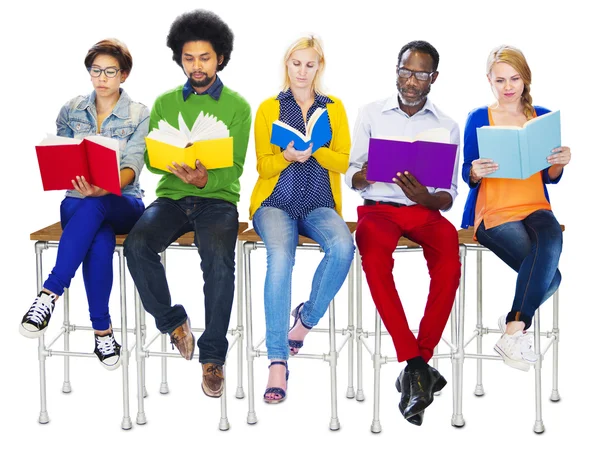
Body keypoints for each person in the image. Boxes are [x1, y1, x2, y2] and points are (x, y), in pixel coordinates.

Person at [123, 10, 251, 398]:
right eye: (189, 58)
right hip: (172, 197)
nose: (197, 66)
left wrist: (206, 178)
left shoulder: (238, 106)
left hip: (217, 201)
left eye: (205, 58)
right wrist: (173, 165)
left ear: (221, 59)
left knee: (217, 261)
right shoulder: (163, 103)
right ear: (180, 59)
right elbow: (152, 157)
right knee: (137, 245)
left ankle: (212, 357)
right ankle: (174, 322)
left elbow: (236, 167)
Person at [346, 40, 460, 425]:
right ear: (396, 70)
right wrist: (368, 174)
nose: (411, 81)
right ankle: (417, 365)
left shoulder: (446, 125)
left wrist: (427, 198)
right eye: (405, 71)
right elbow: (352, 173)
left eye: (421, 74)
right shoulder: (370, 113)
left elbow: (449, 195)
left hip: (423, 213)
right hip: (379, 210)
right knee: (375, 262)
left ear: (434, 78)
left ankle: (417, 365)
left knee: (449, 263)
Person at [19, 39, 149, 370]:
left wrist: (104, 186)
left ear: (124, 75)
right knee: (99, 235)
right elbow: (61, 157)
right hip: (78, 203)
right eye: (95, 70)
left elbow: (134, 163)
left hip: (124, 202)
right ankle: (102, 331)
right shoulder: (71, 110)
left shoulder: (138, 114)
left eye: (109, 71)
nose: (101, 77)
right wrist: (71, 176)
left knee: (99, 209)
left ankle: (49, 293)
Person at [250, 36, 354, 404]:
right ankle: (278, 359)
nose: (302, 71)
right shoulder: (268, 108)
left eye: (310, 64)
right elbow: (262, 164)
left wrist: (318, 152)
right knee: (280, 257)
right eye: (296, 63)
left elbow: (346, 161)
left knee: (343, 247)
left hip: (318, 202)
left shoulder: (334, 107)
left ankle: (305, 320)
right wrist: (288, 156)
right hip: (275, 202)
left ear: (319, 67)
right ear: (287, 64)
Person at [461, 45, 570, 372]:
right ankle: (518, 322)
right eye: (500, 80)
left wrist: (559, 163)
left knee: (552, 237)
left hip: (536, 206)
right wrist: (475, 171)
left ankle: (513, 327)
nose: (508, 87)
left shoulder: (542, 117)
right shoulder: (480, 117)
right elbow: (468, 172)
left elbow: (550, 177)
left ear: (525, 79)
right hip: (494, 213)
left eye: (515, 79)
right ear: (489, 81)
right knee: (550, 279)